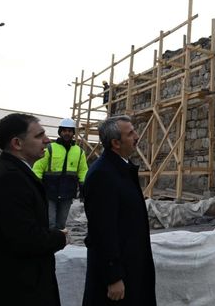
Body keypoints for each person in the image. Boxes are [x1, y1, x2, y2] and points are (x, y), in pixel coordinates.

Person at [0, 113, 68, 306]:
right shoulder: (9, 179)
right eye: (39, 136)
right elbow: (25, 239)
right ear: (17, 143)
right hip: (12, 292)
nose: (47, 140)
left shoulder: (14, 174)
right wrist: (60, 237)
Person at [82, 115, 156, 305]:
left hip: (132, 264)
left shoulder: (121, 168)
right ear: (116, 142)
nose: (137, 136)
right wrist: (113, 276)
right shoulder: (102, 175)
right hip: (119, 274)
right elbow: (102, 230)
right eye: (130, 133)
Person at [33, 117, 88, 230]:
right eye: (64, 130)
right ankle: (47, 246)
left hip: (67, 193)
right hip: (49, 192)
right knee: (50, 223)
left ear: (73, 133)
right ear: (60, 132)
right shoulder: (50, 149)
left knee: (61, 225)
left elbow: (83, 171)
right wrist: (35, 186)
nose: (67, 133)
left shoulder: (79, 152)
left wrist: (84, 188)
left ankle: (56, 245)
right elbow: (38, 168)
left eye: (69, 131)